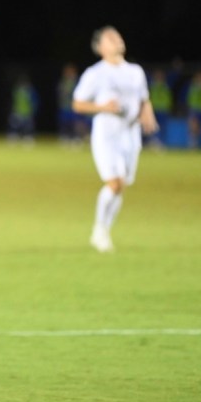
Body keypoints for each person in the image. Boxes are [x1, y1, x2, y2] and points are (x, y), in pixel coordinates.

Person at [72, 26, 158, 253]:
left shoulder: (135, 71)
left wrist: (148, 115)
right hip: (106, 136)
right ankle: (99, 229)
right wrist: (102, 107)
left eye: (118, 35)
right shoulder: (95, 73)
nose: (117, 39)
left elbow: (144, 99)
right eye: (110, 38)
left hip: (130, 135)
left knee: (122, 186)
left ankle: (104, 231)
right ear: (101, 48)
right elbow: (78, 103)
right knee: (115, 183)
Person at [56, 63, 85, 145]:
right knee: (65, 122)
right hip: (65, 106)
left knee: (76, 122)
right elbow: (59, 92)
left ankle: (77, 138)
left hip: (74, 106)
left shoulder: (77, 81)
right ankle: (65, 137)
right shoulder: (63, 81)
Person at [6, 73, 39, 146]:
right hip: (17, 111)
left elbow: (34, 101)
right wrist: (12, 110)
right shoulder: (16, 90)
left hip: (27, 112)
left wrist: (33, 110)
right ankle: (13, 138)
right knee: (14, 125)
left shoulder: (30, 91)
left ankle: (28, 139)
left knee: (28, 127)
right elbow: (13, 101)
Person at [146, 68, 172, 150]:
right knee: (153, 126)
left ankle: (161, 142)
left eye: (160, 75)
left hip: (163, 109)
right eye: (157, 75)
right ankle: (153, 141)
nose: (159, 77)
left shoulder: (166, 86)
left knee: (162, 127)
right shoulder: (152, 85)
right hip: (154, 109)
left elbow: (168, 97)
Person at [185, 70, 201, 149]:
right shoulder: (193, 87)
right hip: (194, 110)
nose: (200, 79)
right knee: (193, 127)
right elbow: (189, 98)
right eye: (198, 77)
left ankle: (199, 144)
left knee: (200, 130)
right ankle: (193, 144)